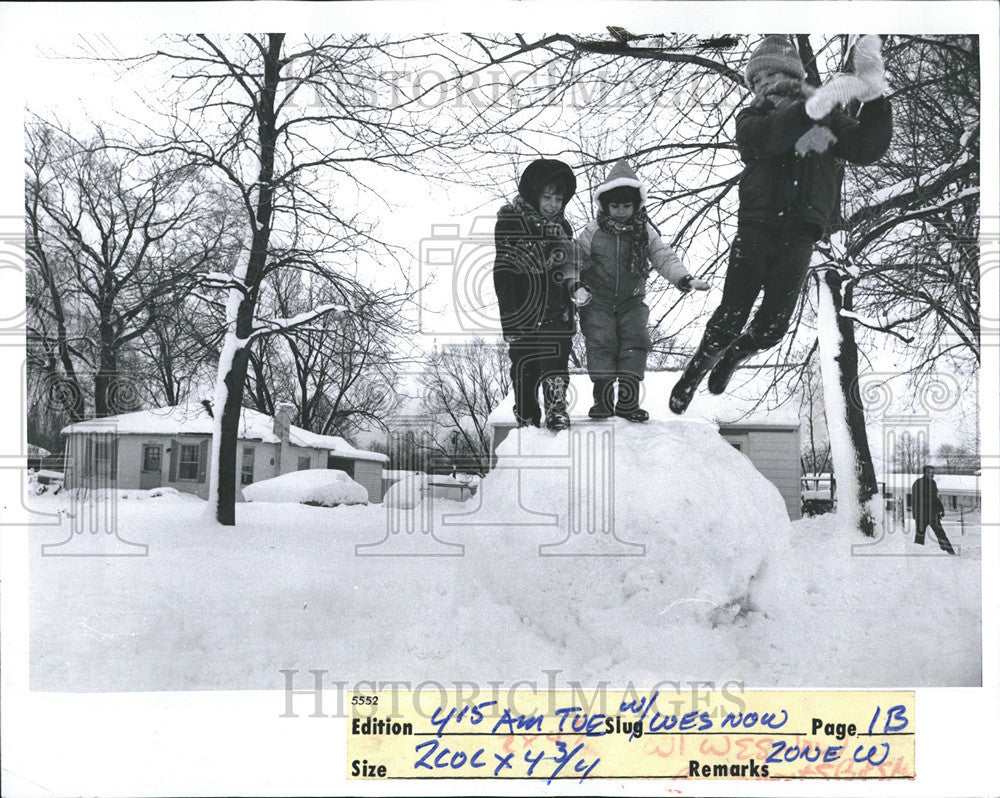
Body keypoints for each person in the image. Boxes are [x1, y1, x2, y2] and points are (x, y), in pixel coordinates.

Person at [669, 34, 893, 414]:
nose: (763, 84)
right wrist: (811, 106)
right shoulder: (752, 117)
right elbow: (766, 140)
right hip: (756, 230)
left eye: (771, 75)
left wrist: (873, 94)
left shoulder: (826, 117)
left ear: (790, 75)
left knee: (772, 329)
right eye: (755, 81)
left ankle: (735, 355)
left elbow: (865, 148)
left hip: (800, 233)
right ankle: (692, 373)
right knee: (730, 315)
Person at [574, 160, 709, 422]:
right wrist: (575, 284)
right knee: (601, 343)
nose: (621, 211)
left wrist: (684, 279)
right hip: (598, 300)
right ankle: (602, 401)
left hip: (631, 301)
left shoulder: (644, 233)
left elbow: (663, 257)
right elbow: (575, 259)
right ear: (605, 205)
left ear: (637, 205)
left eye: (627, 205)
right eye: (615, 205)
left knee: (635, 344)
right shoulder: (593, 231)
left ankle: (627, 402)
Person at [493, 158, 583, 431]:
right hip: (523, 307)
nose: (554, 204)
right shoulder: (511, 221)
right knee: (524, 366)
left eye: (559, 198)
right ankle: (527, 416)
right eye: (547, 197)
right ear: (533, 194)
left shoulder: (563, 229)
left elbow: (568, 264)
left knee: (555, 360)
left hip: (557, 309)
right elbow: (508, 267)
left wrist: (576, 281)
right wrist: (510, 316)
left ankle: (556, 409)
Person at [911, 465, 956, 555]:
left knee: (941, 534)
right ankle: (917, 555)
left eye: (933, 473)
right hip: (921, 515)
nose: (932, 475)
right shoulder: (918, 483)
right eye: (930, 473)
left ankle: (949, 552)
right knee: (920, 535)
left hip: (932, 514)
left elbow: (935, 498)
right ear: (925, 473)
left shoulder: (933, 483)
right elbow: (917, 499)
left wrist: (941, 509)